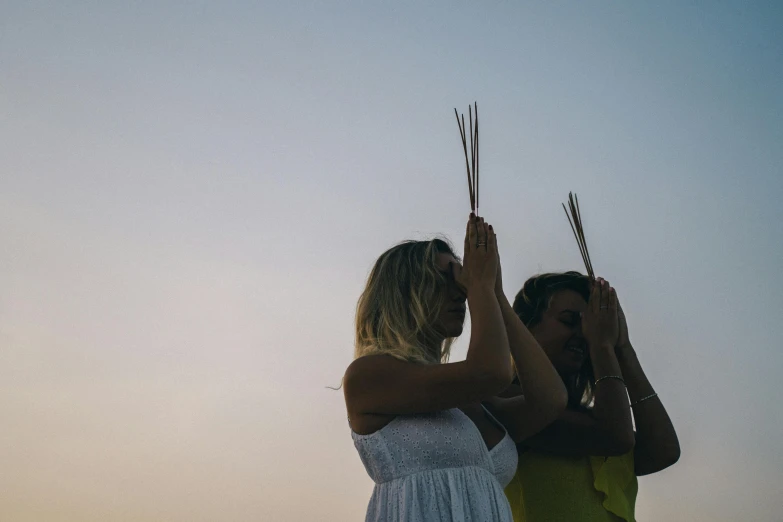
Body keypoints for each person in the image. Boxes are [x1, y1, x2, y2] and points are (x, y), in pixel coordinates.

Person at [343, 215, 567, 521]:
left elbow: (550, 400)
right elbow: (492, 372)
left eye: (463, 279)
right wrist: (481, 288)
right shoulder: (368, 376)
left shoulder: (468, 399)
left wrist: (495, 294)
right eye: (443, 280)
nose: (461, 291)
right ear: (403, 292)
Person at [500, 272, 681, 522]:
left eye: (588, 325)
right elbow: (613, 436)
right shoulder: (507, 402)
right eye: (569, 321)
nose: (584, 334)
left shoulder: (594, 416)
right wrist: (602, 346)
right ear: (525, 327)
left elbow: (664, 451)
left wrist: (623, 348)